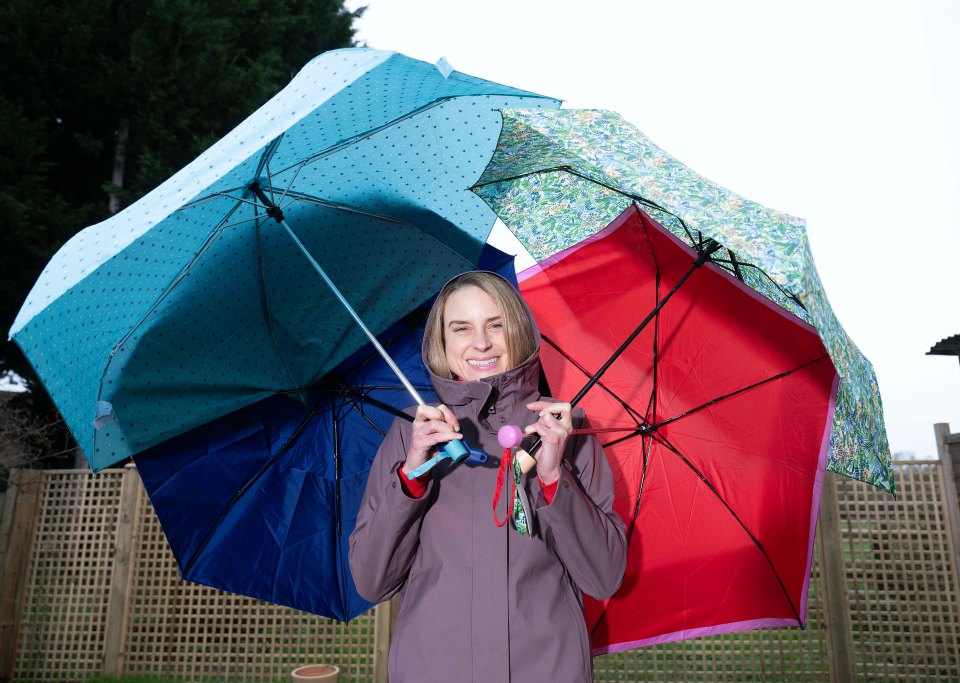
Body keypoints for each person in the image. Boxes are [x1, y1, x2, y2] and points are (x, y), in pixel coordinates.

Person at [349, 271, 627, 682]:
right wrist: (412, 477)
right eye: (461, 329)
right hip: (432, 668)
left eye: (496, 325)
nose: (481, 343)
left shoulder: (564, 428)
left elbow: (604, 577)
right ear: (442, 343)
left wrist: (554, 476)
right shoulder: (415, 433)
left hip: (547, 668)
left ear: (518, 330)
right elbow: (371, 580)